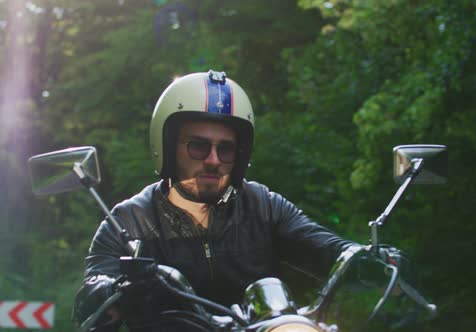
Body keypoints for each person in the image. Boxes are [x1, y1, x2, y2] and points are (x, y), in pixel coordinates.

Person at [72, 70, 355, 331]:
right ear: (168, 148)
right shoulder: (129, 223)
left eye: (226, 149)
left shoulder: (263, 206)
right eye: (198, 146)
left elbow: (328, 248)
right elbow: (90, 297)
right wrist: (108, 288)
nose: (213, 160)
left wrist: (371, 259)